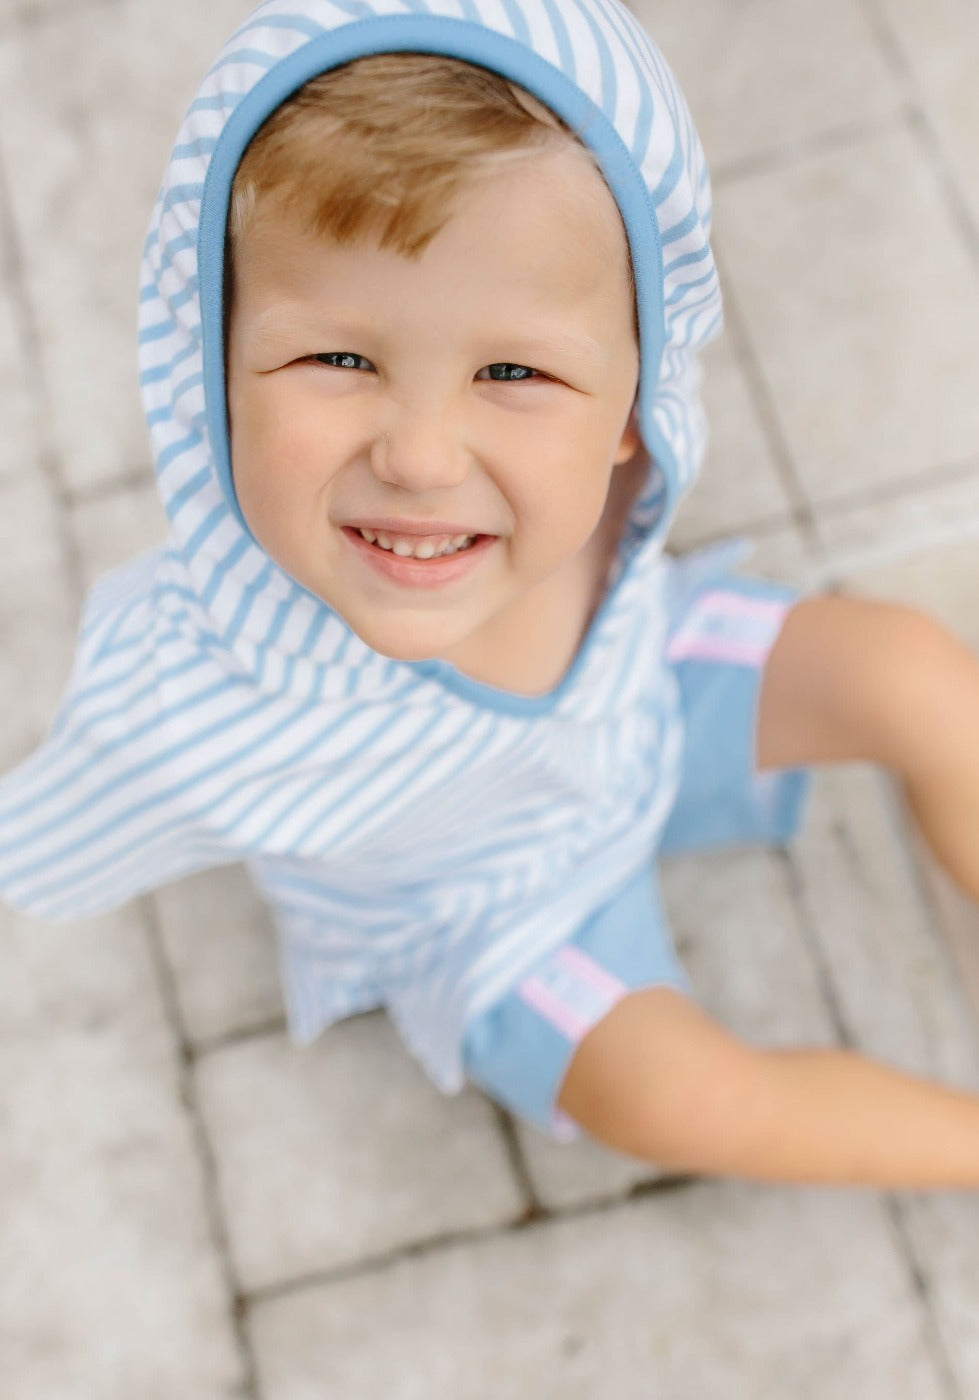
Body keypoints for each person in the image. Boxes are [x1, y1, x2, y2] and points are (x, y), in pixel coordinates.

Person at [2, 0, 979, 1188]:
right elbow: (66, 809)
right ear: (210, 360)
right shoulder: (214, 673)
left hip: (638, 696)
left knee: (910, 671)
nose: (419, 456)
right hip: (488, 906)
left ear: (634, 400)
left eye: (511, 370)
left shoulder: (598, 492)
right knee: (674, 1093)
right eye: (338, 358)